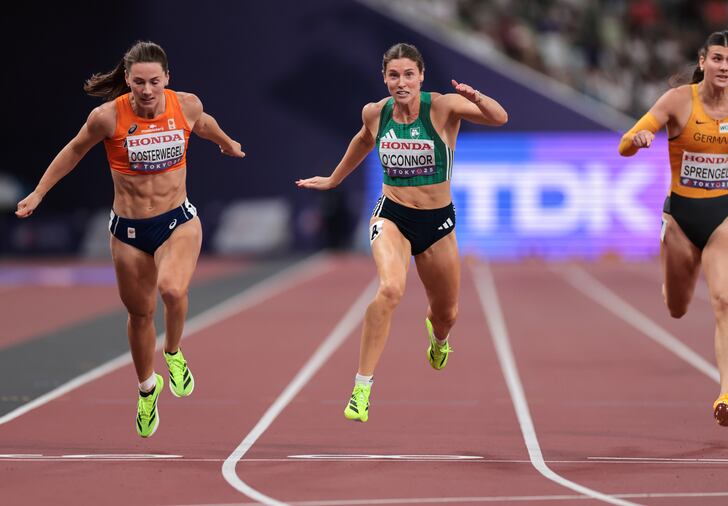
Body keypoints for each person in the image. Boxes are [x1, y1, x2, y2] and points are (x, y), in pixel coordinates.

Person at [15, 41, 245, 437]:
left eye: (155, 81)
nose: (147, 90)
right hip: (128, 230)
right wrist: (38, 192)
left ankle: (173, 353)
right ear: (127, 80)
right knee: (139, 316)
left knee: (173, 290)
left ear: (167, 79)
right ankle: (146, 389)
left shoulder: (185, 104)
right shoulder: (107, 117)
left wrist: (226, 142)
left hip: (177, 221)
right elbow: (73, 151)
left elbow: (204, 124)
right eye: (139, 82)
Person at [296, 42, 508, 422]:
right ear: (385, 78)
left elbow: (499, 118)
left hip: (437, 222)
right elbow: (363, 140)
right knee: (391, 288)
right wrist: (333, 179)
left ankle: (438, 339)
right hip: (391, 215)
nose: (401, 82)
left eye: (409, 74)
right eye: (394, 75)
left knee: (447, 313)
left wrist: (476, 96)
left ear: (421, 76)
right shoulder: (376, 113)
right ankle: (362, 387)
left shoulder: (442, 107)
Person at [618, 31, 728, 427]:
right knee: (677, 307)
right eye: (717, 58)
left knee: (725, 303)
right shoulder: (678, 101)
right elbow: (624, 144)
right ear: (703, 61)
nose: (724, 67)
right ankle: (675, 281)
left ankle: (727, 395)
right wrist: (639, 139)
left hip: (724, 216)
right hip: (681, 219)